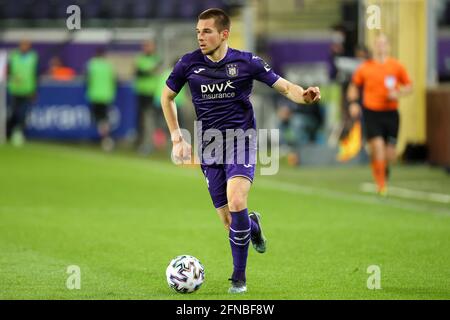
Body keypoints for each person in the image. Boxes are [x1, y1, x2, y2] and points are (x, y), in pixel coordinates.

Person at [160, 8, 320, 294]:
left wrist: (304, 96)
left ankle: (239, 279)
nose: (201, 37)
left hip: (241, 141)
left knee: (236, 201)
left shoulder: (247, 62)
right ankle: (254, 226)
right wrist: (176, 137)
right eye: (198, 31)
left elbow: (284, 88)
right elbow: (167, 95)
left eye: (207, 31)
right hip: (209, 146)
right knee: (230, 220)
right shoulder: (188, 64)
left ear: (224, 34)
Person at [347, 34, 412, 195]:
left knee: (390, 153)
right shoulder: (365, 67)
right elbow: (353, 86)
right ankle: (381, 184)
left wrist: (398, 93)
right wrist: (353, 103)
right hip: (372, 112)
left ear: (388, 46)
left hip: (391, 113)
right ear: (374, 47)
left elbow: (409, 86)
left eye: (384, 43)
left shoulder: (396, 66)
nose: (381, 46)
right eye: (378, 44)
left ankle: (382, 168)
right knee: (378, 146)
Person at [6, 39, 38, 146]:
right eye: (23, 44)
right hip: (14, 90)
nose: (25, 46)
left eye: (27, 45)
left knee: (23, 114)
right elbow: (8, 71)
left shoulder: (33, 57)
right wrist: (12, 78)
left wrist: (34, 90)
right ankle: (8, 133)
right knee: (13, 113)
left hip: (27, 91)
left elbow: (35, 74)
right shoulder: (13, 56)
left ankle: (19, 133)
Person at [134, 40, 162, 155]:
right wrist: (150, 70)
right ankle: (143, 143)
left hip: (153, 94)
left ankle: (154, 144)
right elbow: (139, 73)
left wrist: (150, 71)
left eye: (149, 46)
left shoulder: (157, 59)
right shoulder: (140, 59)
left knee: (153, 120)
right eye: (145, 46)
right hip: (141, 93)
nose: (147, 48)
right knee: (142, 120)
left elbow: (155, 72)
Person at [86, 48, 116, 151]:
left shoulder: (91, 64)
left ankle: (104, 139)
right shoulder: (108, 65)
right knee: (104, 119)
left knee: (98, 119)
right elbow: (113, 80)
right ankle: (105, 139)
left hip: (95, 95)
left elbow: (87, 79)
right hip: (106, 96)